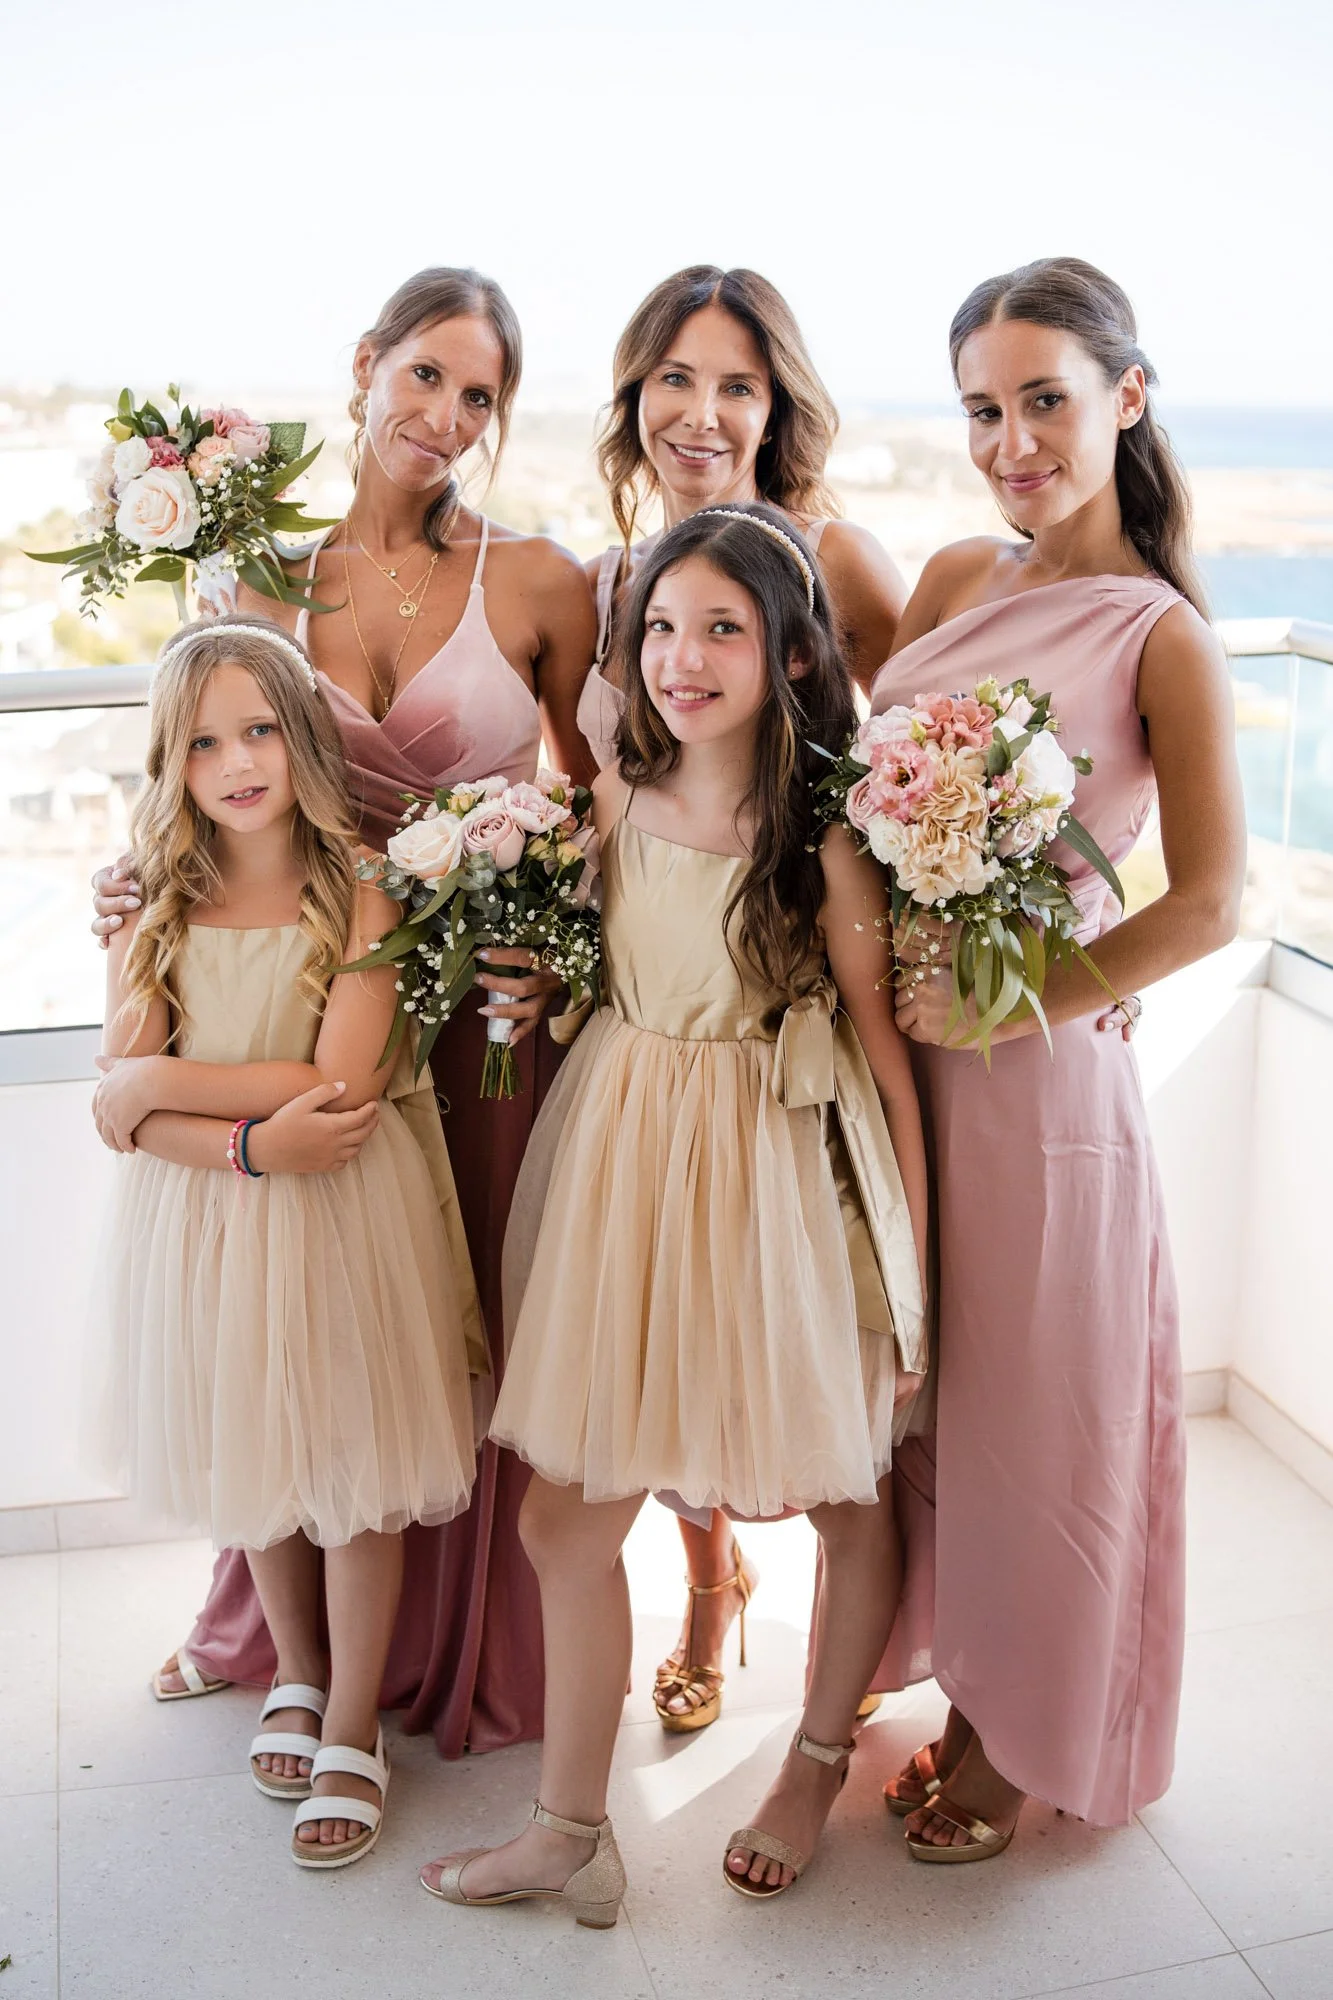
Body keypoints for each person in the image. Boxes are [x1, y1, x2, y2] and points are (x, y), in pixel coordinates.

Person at [90, 267, 598, 1766]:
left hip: (482, 1024)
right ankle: (292, 1657)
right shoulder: (259, 582)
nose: (446, 416)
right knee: (295, 1350)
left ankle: (469, 1660)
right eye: (427, 375)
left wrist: (558, 957)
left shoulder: (543, 581)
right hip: (310, 991)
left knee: (473, 1345)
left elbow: (604, 805)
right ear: (367, 364)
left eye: (481, 395)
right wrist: (137, 897)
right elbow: (210, 767)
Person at [419, 503, 929, 1919]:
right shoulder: (609, 801)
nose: (680, 657)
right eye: (657, 625)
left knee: (843, 1492)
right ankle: (569, 1825)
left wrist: (912, 1284)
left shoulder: (822, 840)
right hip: (623, 1168)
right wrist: (531, 988)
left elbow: (884, 1068)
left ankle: (814, 1762)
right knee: (563, 1527)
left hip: (775, 1181)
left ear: (793, 654)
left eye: (722, 628)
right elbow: (590, 967)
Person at [870, 257, 1245, 1860]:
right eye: (982, 409)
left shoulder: (1164, 634)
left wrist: (1026, 1000)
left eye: (1043, 401)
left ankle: (1012, 1734)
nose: (1011, 440)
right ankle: (952, 1671)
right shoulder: (955, 573)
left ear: (1126, 398)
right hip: (894, 1058)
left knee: (1037, 1417)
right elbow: (848, 772)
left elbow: (1216, 899)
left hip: (1035, 1081)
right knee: (925, 1397)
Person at [88, 618, 485, 1866]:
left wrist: (153, 1078)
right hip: (214, 1216)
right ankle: (300, 1673)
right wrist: (234, 1139)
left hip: (340, 1214)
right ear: (174, 763)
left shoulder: (360, 882)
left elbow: (338, 1076)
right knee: (254, 1446)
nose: (237, 760)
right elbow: (126, 1106)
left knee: (356, 1470)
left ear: (302, 737)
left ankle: (357, 1719)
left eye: (259, 727)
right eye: (204, 742)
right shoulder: (156, 898)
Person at [578, 263, 913, 1735]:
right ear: (633, 396)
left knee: (803, 1391)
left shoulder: (841, 559)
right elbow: (596, 807)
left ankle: (821, 1723)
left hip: (796, 1034)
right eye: (671, 379)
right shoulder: (617, 584)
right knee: (657, 1356)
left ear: (778, 401)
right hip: (651, 1043)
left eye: (735, 384)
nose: (699, 412)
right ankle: (708, 1588)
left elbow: (896, 786)